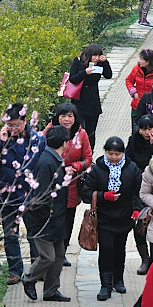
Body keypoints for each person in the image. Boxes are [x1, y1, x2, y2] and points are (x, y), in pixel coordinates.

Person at [0, 102, 46, 285]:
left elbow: (44, 164)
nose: (13, 129)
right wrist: (1, 143)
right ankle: (15, 271)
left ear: (25, 121)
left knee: (34, 233)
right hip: (7, 194)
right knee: (10, 235)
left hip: (31, 193)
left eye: (16, 124)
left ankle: (37, 269)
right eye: (10, 125)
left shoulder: (37, 140)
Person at [80, 136, 144, 300]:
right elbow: (86, 193)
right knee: (107, 249)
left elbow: (139, 191)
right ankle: (105, 285)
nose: (113, 157)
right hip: (104, 217)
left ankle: (118, 280)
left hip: (124, 216)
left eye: (117, 154)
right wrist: (103, 196)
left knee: (119, 249)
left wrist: (137, 209)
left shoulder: (132, 168)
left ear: (123, 153)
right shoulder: (97, 169)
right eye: (110, 153)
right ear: (105, 152)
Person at [22, 125, 74, 302]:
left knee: (59, 255)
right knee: (48, 256)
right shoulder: (47, 162)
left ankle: (51, 291)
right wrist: (47, 216)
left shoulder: (55, 159)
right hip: (43, 219)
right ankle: (28, 278)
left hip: (57, 216)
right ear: (65, 142)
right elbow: (41, 194)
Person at [45, 102, 93, 267]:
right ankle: (50, 254)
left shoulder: (81, 134)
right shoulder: (49, 131)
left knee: (68, 219)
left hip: (71, 183)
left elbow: (88, 159)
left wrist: (75, 167)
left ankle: (62, 253)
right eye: (63, 116)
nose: (66, 119)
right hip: (52, 182)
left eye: (70, 116)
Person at [127, 114, 153, 274]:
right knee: (140, 224)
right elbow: (128, 161)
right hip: (139, 187)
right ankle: (145, 259)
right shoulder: (133, 140)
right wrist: (137, 173)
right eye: (144, 129)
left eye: (151, 128)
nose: (148, 132)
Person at [68, 43, 112, 150]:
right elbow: (72, 78)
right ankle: (75, 153)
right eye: (94, 55)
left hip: (93, 103)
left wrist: (105, 62)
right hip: (79, 101)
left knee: (91, 132)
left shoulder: (100, 64)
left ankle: (89, 155)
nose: (96, 58)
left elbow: (108, 75)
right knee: (77, 130)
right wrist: (84, 73)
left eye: (98, 56)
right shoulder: (78, 61)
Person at [125, 49, 153, 133]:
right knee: (136, 133)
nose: (139, 61)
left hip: (152, 108)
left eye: (141, 59)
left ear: (148, 62)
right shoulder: (136, 69)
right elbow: (129, 80)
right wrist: (133, 91)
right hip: (137, 106)